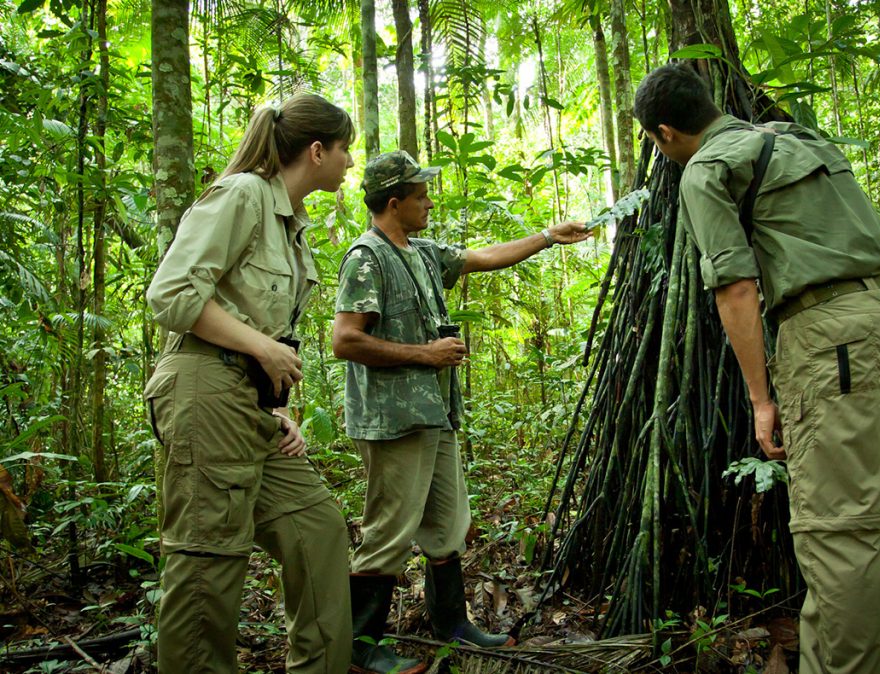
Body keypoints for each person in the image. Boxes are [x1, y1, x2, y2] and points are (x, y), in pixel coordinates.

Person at [633, 64, 880, 673]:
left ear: (664, 133)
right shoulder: (797, 138)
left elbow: (736, 289)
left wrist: (760, 399)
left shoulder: (705, 170)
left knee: (838, 533)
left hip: (829, 338)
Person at [332, 151, 592, 674]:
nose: (430, 201)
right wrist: (425, 354)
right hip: (394, 420)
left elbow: (481, 257)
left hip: (436, 414)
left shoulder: (423, 253)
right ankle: (359, 645)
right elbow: (345, 340)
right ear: (393, 202)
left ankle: (451, 621)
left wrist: (547, 236)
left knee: (447, 522)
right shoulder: (366, 258)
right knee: (390, 529)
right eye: (421, 194)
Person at [144, 93, 356, 674]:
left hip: (249, 406)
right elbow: (172, 294)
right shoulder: (242, 195)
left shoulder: (291, 226)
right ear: (317, 151)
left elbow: (263, 329)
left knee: (316, 528)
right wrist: (260, 347)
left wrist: (276, 408)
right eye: (346, 151)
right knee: (208, 561)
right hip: (203, 390)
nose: (350, 164)